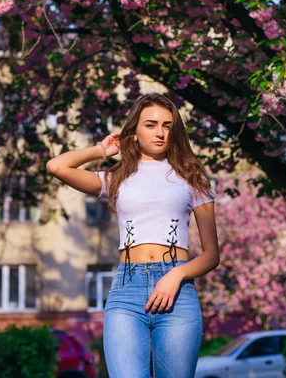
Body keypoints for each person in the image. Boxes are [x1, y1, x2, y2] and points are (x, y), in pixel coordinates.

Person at [46, 92, 220, 378]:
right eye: (151, 124)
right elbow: (56, 166)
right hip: (127, 291)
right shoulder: (116, 177)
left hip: (177, 294)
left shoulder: (193, 179)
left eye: (167, 125)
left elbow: (212, 255)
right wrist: (101, 151)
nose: (160, 132)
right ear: (135, 131)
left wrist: (175, 276)